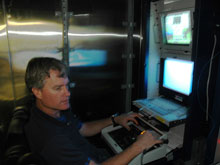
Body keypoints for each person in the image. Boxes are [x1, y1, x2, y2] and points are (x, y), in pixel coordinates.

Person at [24, 57, 161, 165]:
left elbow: (82, 128)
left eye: (67, 86)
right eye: (58, 88)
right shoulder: (50, 139)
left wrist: (114, 120)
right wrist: (139, 146)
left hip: (97, 156)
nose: (67, 94)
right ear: (37, 92)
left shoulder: (56, 109)